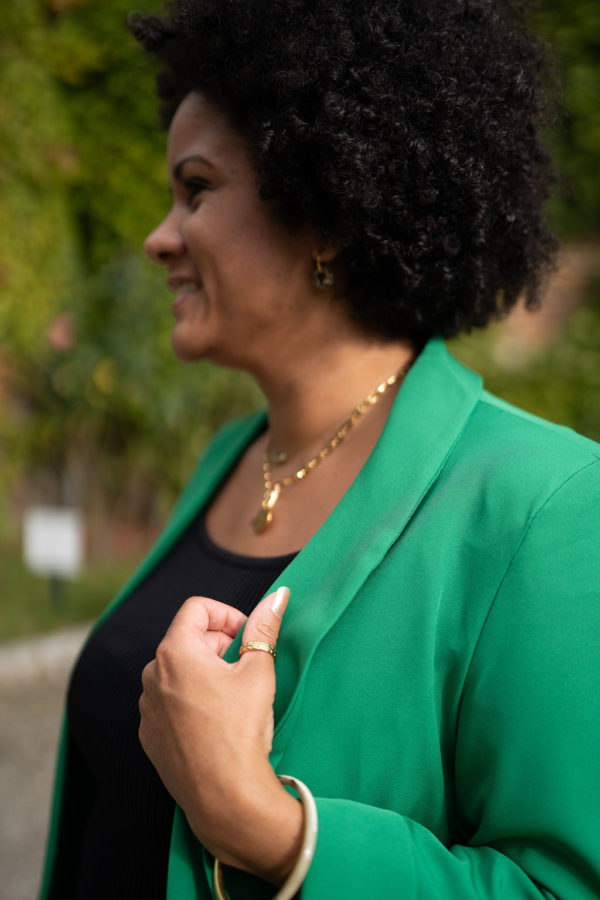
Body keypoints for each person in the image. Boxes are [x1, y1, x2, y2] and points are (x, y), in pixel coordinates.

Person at [40, 1, 600, 898]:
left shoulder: (545, 503)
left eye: (196, 189)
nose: (160, 237)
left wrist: (269, 829)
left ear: (327, 209)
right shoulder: (231, 456)